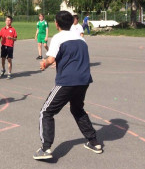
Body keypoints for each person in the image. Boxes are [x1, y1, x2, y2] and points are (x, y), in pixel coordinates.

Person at [33, 11, 102, 160]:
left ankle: (46, 149)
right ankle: (94, 141)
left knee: (46, 112)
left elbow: (50, 59)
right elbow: (74, 57)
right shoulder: (81, 40)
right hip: (84, 80)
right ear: (72, 23)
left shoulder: (58, 38)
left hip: (67, 81)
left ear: (56, 24)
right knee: (77, 109)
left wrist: (44, 63)